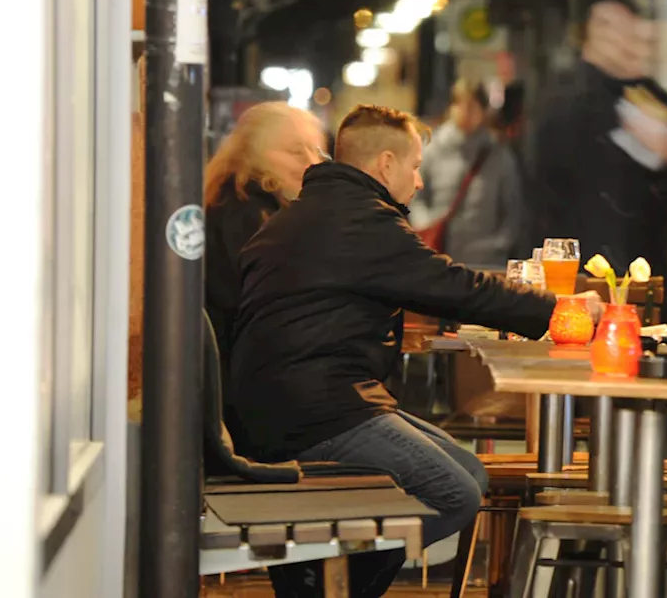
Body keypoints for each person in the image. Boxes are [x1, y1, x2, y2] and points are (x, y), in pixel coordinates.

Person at [231, 104, 595, 598]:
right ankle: (322, 582)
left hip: (289, 406)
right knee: (456, 493)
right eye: (416, 166)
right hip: (314, 414)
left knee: (472, 472)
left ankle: (324, 574)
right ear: (385, 164)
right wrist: (559, 310)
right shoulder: (361, 220)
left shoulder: (307, 214)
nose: (420, 182)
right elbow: (455, 286)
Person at [526, 0, 667, 278]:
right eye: (607, 26)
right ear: (587, 35)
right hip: (574, 271)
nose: (619, 38)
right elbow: (543, 178)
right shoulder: (562, 97)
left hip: (640, 269)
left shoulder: (656, 100)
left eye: (626, 28)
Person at [203, 101, 327, 362]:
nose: (311, 162)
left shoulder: (255, 205)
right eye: (295, 151)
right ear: (252, 154)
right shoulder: (244, 214)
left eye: (316, 151)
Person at [411, 79, 524, 266]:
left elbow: (513, 210)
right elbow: (415, 197)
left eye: (472, 106)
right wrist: (425, 225)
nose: (465, 112)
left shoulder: (498, 154)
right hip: (438, 254)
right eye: (459, 104)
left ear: (483, 111)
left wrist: (496, 245)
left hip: (484, 260)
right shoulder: (433, 147)